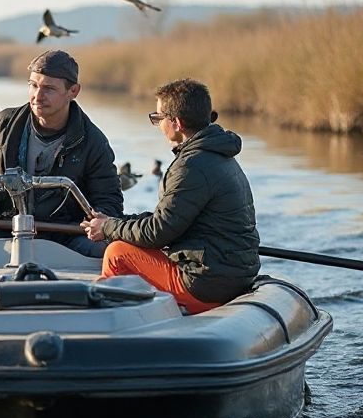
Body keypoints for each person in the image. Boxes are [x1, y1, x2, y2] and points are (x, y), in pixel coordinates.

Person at [81, 77, 260, 313]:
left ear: (176, 122)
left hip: (206, 285)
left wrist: (108, 228)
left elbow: (158, 233)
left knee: (117, 252)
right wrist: (116, 222)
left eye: (158, 118)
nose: (157, 124)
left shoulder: (191, 166)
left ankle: (108, 316)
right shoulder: (219, 154)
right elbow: (167, 219)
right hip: (232, 277)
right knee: (126, 241)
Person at [0, 50, 123, 258]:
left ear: (73, 91)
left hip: (67, 236)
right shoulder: (4, 124)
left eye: (49, 88)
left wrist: (100, 222)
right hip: (9, 229)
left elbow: (109, 202)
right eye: (33, 85)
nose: (37, 96)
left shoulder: (94, 142)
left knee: (105, 252)